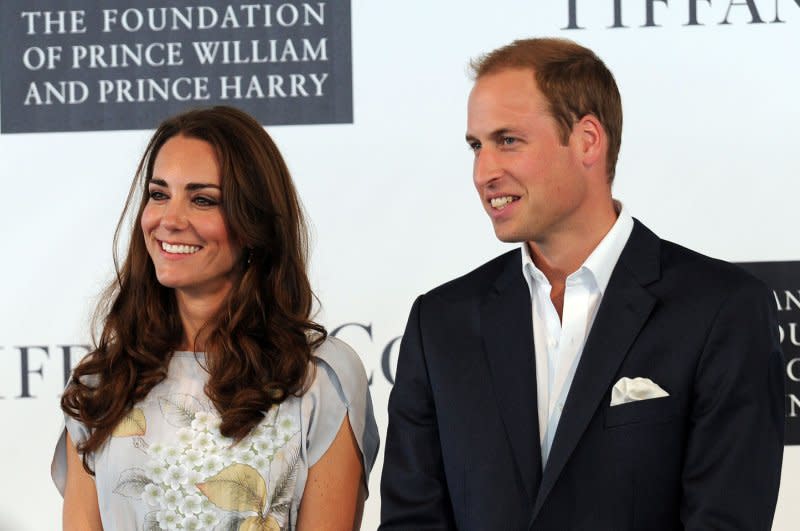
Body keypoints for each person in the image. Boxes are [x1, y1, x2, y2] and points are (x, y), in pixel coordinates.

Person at [380, 38, 784, 530]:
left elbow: (726, 520)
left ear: (588, 139)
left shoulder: (722, 308)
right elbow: (411, 521)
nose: (483, 171)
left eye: (508, 140)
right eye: (476, 145)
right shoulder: (440, 322)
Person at [51, 106, 379, 531]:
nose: (169, 220)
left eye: (202, 199)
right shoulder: (104, 382)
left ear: (254, 224)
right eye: (158, 193)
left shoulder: (318, 378)